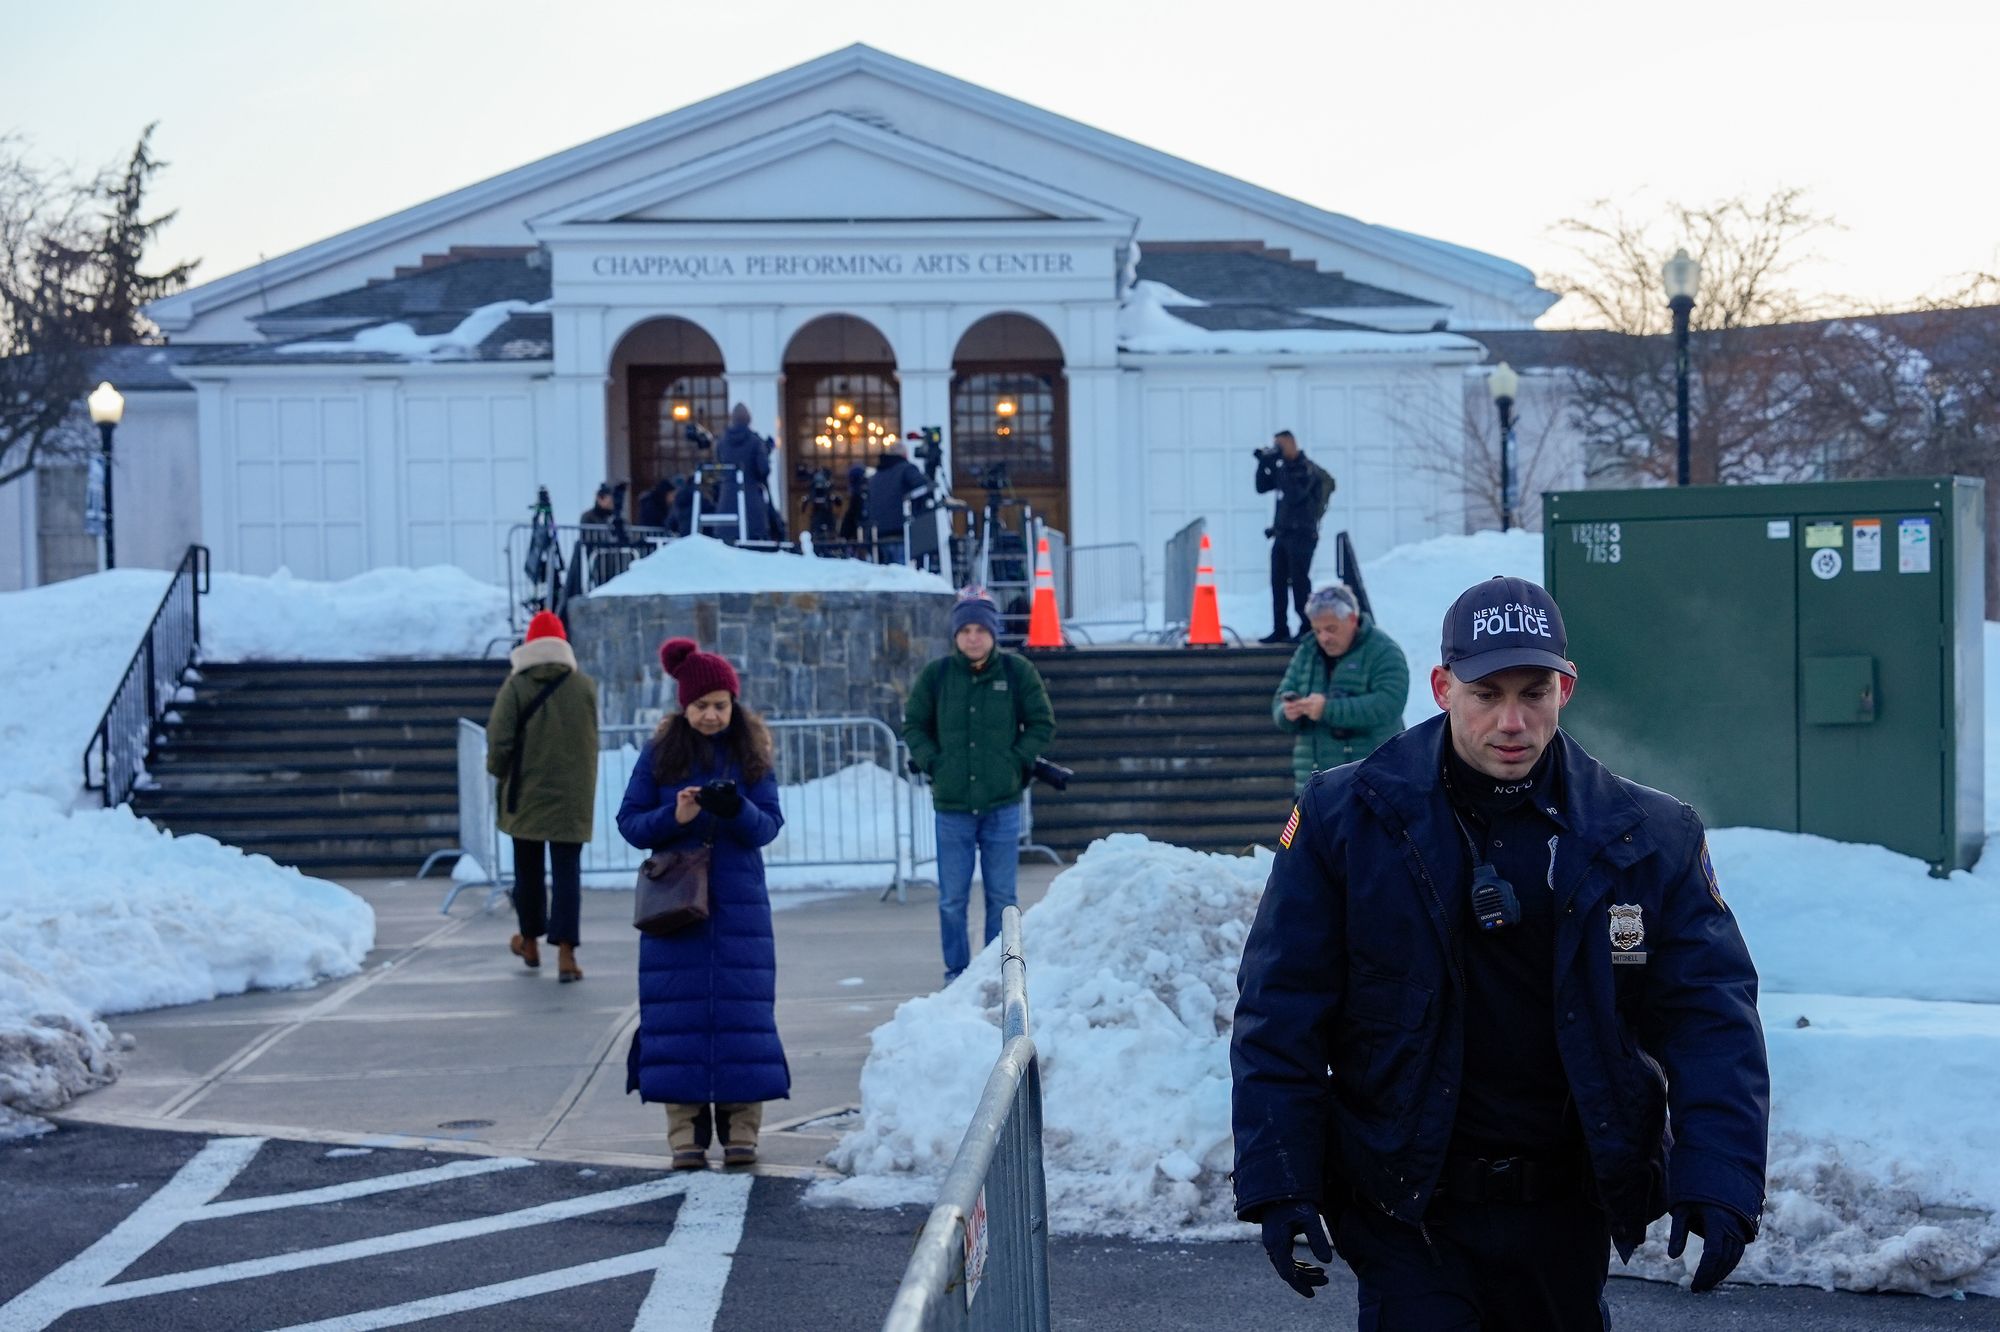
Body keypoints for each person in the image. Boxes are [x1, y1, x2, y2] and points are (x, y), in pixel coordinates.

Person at [1232, 575, 1768, 1329]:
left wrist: (1720, 1173)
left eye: (1534, 692)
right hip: (1406, 1201)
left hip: (1564, 1207)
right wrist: (1279, 1179)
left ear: (1566, 689)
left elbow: (1709, 1014)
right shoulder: (1345, 818)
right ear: (1443, 686)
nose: (1512, 721)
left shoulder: (1647, 835)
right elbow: (1280, 1009)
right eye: (1487, 694)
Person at [616, 637, 789, 1169]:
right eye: (700, 706)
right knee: (677, 1019)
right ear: (683, 708)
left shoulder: (750, 753)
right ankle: (684, 1135)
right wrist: (677, 817)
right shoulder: (660, 754)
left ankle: (743, 1131)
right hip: (675, 907)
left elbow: (768, 827)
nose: (711, 715)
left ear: (733, 703)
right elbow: (630, 823)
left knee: (744, 1018)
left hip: (739, 907)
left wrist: (735, 808)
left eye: (719, 704)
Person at [902, 591, 1055, 985]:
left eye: (980, 630)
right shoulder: (936, 676)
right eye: (965, 630)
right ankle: (956, 972)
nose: (973, 638)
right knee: (952, 900)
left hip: (1001, 805)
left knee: (1002, 899)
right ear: (955, 635)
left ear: (993, 633)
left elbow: (1041, 722)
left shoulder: (1017, 672)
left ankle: (996, 974)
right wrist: (934, 761)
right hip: (952, 807)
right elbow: (914, 726)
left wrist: (1016, 759)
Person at [486, 610, 599, 983]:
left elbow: (499, 738)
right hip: (571, 795)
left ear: (530, 644)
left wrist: (498, 769)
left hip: (526, 793)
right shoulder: (583, 686)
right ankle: (567, 954)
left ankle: (530, 941)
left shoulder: (517, 686)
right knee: (568, 873)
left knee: (528, 870)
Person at [1273, 583, 1409, 793]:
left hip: (1373, 785)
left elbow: (1389, 702)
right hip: (1314, 790)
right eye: (1317, 630)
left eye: (1331, 629)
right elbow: (1279, 702)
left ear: (1352, 619)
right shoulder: (1306, 652)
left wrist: (1327, 709)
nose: (1323, 638)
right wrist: (1288, 712)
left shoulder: (1384, 651)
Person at [1254, 430, 1332, 644]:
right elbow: (1261, 487)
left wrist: (1282, 463)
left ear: (1291, 444)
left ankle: (1306, 627)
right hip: (1281, 535)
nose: (1277, 449)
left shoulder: (1306, 469)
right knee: (1277, 582)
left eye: (1280, 445)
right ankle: (1280, 628)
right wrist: (1263, 463)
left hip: (1302, 536)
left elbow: (1295, 494)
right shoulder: (1283, 470)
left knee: (1299, 582)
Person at [866, 437, 930, 564]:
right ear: (905, 455)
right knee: (903, 576)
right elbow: (923, 487)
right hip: (902, 531)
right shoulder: (907, 469)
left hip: (878, 534)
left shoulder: (875, 477)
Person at [715, 403, 773, 543]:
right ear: (748, 420)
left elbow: (719, 468)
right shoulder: (755, 441)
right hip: (752, 503)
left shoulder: (722, 442)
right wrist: (767, 452)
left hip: (726, 501)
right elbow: (763, 470)